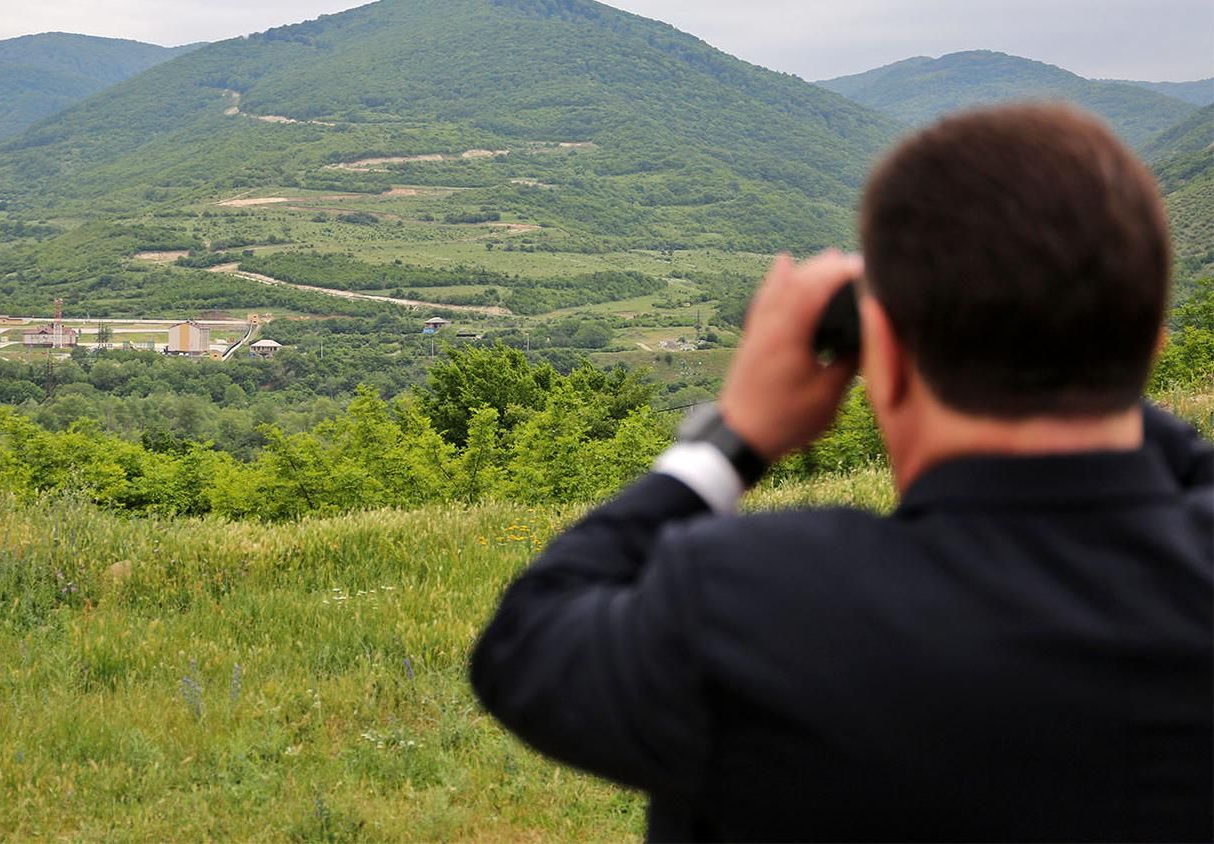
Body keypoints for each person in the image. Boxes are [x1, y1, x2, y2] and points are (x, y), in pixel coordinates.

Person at [470, 103, 1213, 842]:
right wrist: (1089, 365)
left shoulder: (756, 607)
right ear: (1150, 348)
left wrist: (735, 439)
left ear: (881, 356)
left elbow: (525, 645)